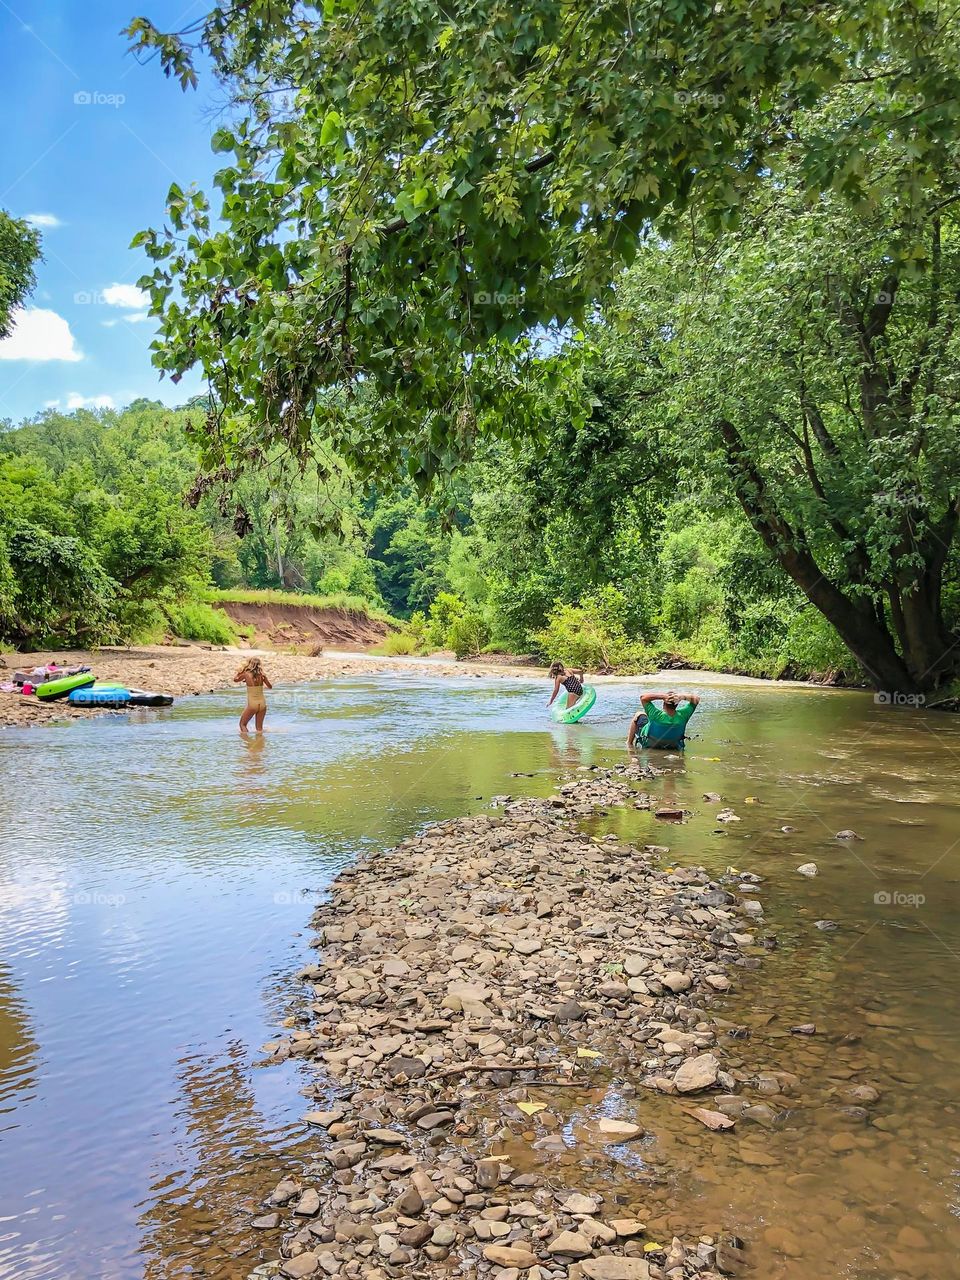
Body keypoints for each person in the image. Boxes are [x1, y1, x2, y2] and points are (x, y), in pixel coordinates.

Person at [628, 689, 700, 749]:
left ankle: (629, 743)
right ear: (677, 704)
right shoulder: (683, 715)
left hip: (649, 743)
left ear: (664, 703)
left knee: (639, 714)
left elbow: (643, 697)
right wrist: (681, 696)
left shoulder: (655, 714)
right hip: (674, 745)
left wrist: (663, 696)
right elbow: (696, 699)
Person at [234, 657, 273, 733]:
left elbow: (235, 679)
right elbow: (270, 687)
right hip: (262, 704)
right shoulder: (262, 675)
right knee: (259, 729)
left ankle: (247, 743)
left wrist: (240, 671)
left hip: (252, 704)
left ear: (250, 664)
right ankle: (260, 743)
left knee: (242, 724)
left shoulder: (246, 674)